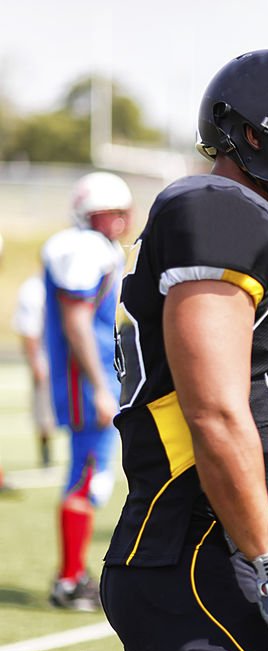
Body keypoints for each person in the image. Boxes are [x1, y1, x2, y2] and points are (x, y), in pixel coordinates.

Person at [100, 49, 268, 651]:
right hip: (197, 545)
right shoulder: (221, 207)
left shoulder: (225, 211)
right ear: (255, 133)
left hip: (191, 544)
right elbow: (213, 409)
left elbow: (234, 387)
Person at [41, 171, 132, 610]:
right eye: (109, 213)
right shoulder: (80, 249)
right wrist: (99, 386)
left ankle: (73, 574)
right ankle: (69, 578)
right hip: (85, 378)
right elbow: (77, 322)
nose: (118, 221)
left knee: (91, 475)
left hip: (95, 374)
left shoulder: (96, 248)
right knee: (85, 475)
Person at [13, 273, 56, 469]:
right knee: (44, 410)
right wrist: (35, 359)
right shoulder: (34, 289)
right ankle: (46, 452)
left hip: (64, 352)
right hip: (46, 354)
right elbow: (28, 328)